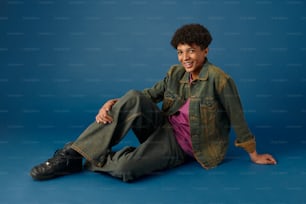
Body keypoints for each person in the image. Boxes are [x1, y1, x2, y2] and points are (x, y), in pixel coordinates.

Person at [30, 24, 276, 182]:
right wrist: (111, 103)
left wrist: (253, 155)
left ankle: (91, 153)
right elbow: (145, 97)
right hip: (163, 126)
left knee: (126, 170)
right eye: (180, 52)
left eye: (191, 51)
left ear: (205, 51)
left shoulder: (220, 81)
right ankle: (71, 155)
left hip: (185, 146)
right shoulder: (175, 73)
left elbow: (238, 118)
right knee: (134, 96)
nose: (185, 58)